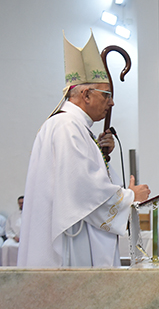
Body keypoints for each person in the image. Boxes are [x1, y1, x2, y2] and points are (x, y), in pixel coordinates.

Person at [19, 33, 151, 267]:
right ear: (86, 94)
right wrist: (130, 197)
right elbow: (83, 189)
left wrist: (100, 152)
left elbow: (81, 179)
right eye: (107, 95)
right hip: (70, 247)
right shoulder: (67, 127)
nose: (111, 103)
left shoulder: (74, 128)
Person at [1, 196, 23, 266]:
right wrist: (14, 237)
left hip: (28, 239)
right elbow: (8, 229)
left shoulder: (33, 214)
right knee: (6, 246)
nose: (21, 205)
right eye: (20, 203)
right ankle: (8, 267)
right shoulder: (13, 215)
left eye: (23, 203)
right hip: (15, 238)